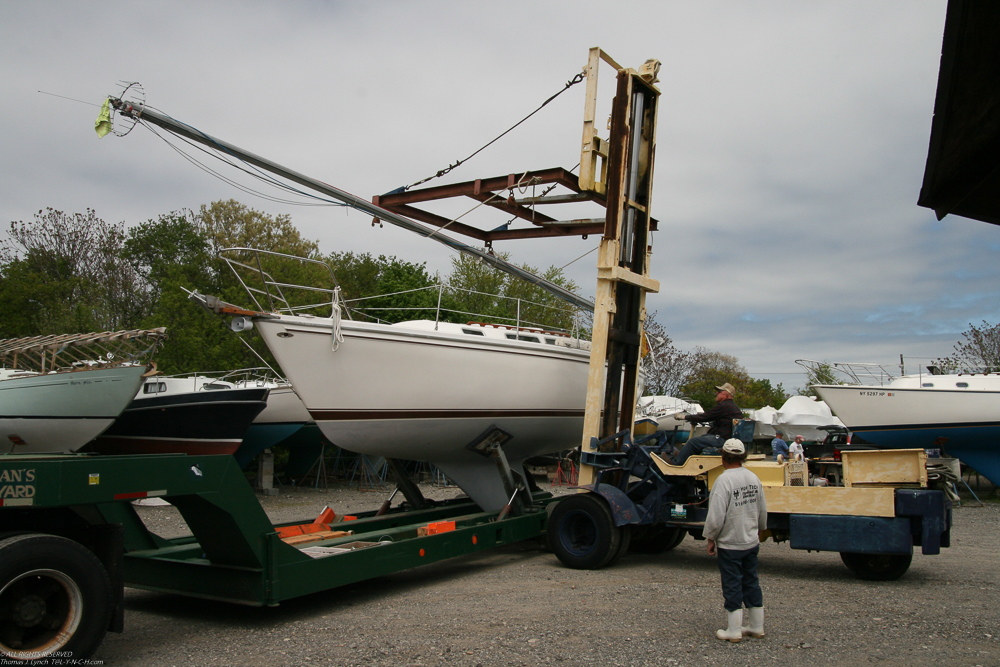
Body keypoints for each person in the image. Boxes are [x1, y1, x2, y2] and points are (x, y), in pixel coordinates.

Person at [704, 438, 767, 642]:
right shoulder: (753, 478)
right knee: (751, 581)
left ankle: (733, 630)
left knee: (732, 583)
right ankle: (757, 626)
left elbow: (716, 516)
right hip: (750, 541)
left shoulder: (724, 480)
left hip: (731, 543)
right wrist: (760, 530)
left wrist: (711, 538)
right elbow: (762, 509)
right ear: (743, 457)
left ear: (723, 457)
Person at [670, 383, 742, 465]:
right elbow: (710, 416)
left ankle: (676, 464)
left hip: (722, 440)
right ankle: (684, 457)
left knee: (693, 441)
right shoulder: (732, 406)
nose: (716, 393)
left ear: (725, 394)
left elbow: (706, 416)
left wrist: (684, 417)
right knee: (703, 438)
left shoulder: (724, 406)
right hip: (727, 439)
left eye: (719, 391)